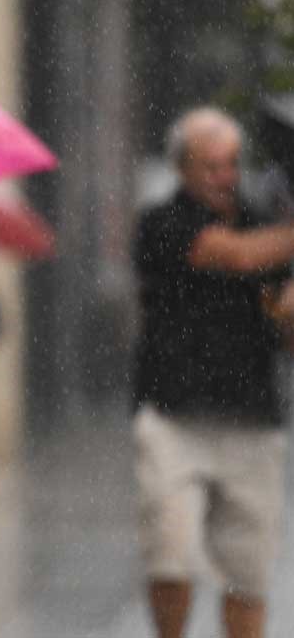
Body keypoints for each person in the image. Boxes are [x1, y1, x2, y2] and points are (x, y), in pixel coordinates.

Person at [132, 107, 294, 638]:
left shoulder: (262, 221)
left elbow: (281, 320)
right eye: (211, 166)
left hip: (252, 416)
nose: (226, 177)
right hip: (174, 413)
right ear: (182, 168)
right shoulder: (162, 223)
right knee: (170, 554)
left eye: (232, 164)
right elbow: (236, 257)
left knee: (249, 573)